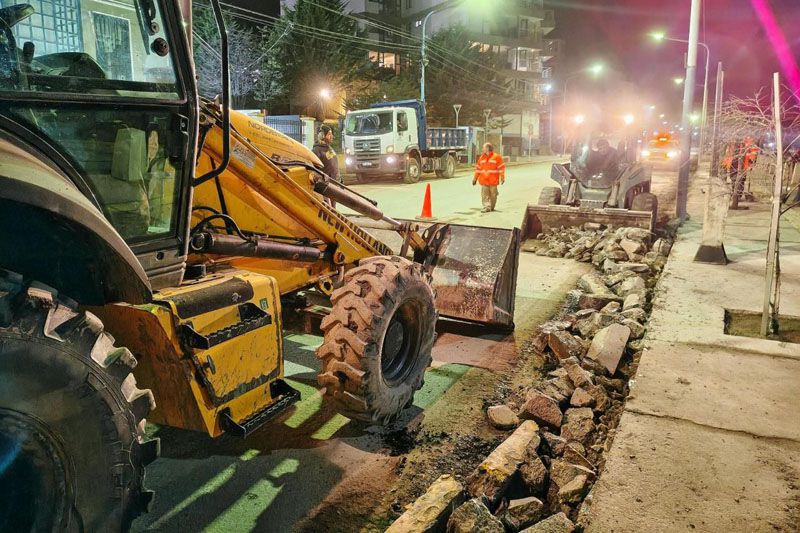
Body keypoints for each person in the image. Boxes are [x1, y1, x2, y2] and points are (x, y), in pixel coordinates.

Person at [473, 142, 505, 212]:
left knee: (493, 195)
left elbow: (501, 168)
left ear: (487, 148)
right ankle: (486, 207)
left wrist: (502, 177)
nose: (482, 149)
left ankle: (492, 207)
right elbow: (478, 169)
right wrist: (475, 178)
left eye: (483, 147)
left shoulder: (497, 157)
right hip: (484, 180)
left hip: (493, 181)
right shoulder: (481, 158)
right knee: (484, 195)